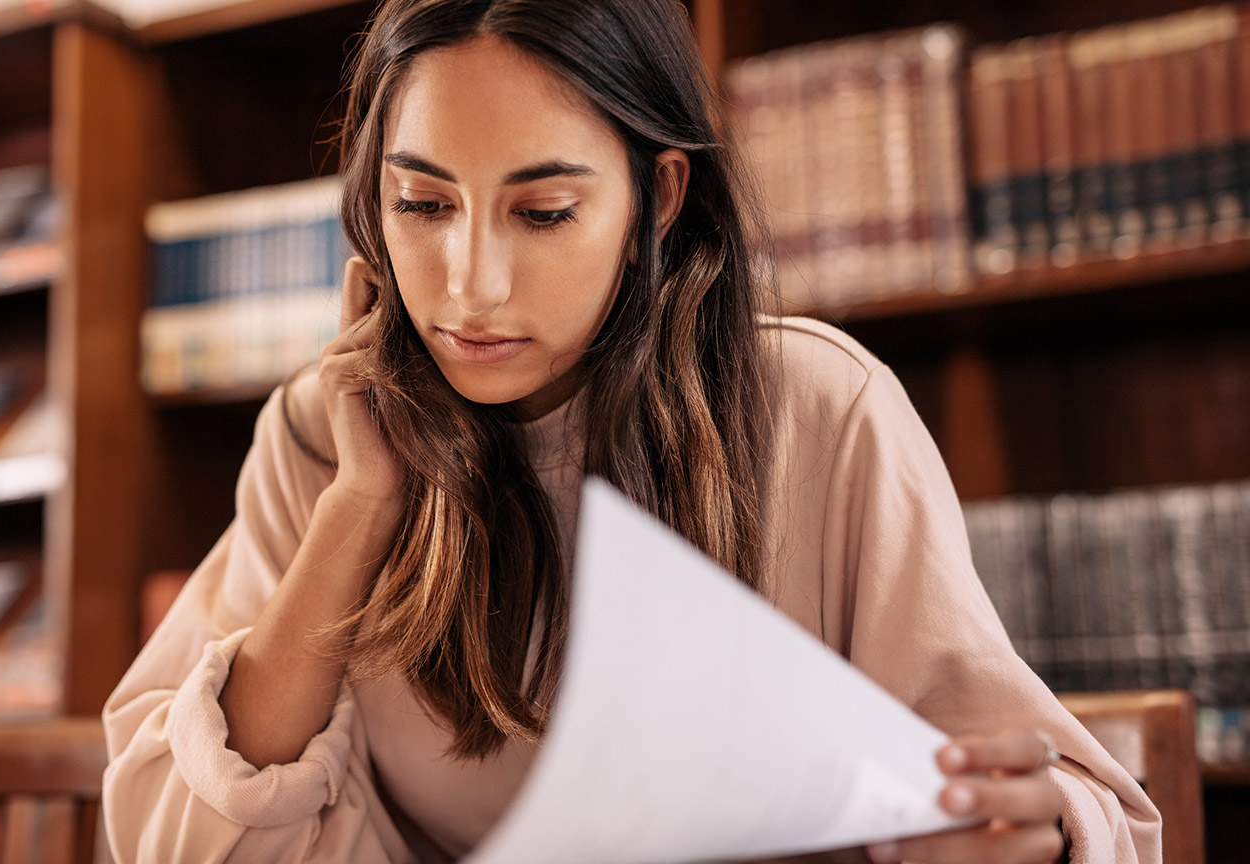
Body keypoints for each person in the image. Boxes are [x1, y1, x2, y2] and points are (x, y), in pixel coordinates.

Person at [102, 1, 1162, 862]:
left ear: (656, 199)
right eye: (423, 204)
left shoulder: (820, 411)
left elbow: (1059, 801)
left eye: (544, 211)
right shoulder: (325, 432)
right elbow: (176, 835)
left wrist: (1016, 833)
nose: (470, 286)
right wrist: (362, 505)